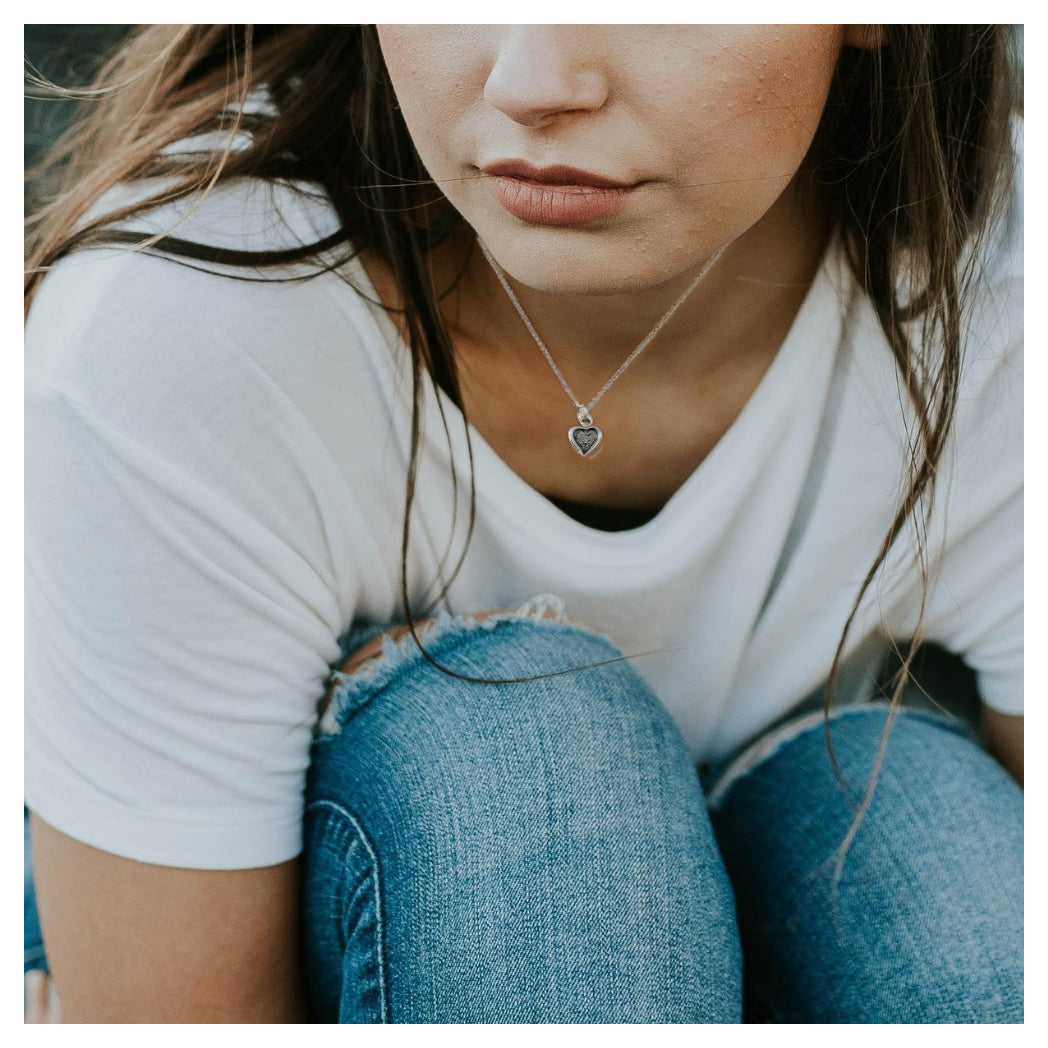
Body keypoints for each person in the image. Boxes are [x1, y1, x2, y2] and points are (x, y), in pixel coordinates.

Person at [23, 24, 1023, 1024]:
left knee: (929, 855)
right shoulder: (191, 325)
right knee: (525, 762)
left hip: (813, 869)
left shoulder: (995, 299)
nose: (531, 83)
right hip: (355, 931)